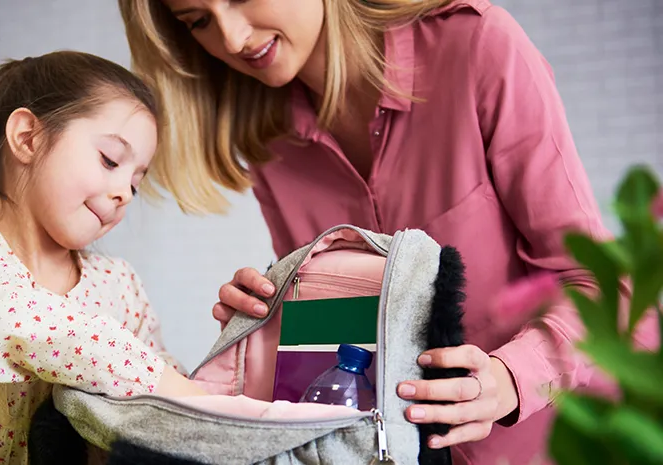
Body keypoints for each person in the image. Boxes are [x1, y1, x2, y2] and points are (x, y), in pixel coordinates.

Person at [118, 0, 658, 464]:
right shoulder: (268, 137)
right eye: (197, 21)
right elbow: (348, 339)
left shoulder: (477, 46)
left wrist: (509, 379)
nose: (232, 38)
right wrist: (273, 320)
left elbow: (608, 288)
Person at [0, 51, 205, 465]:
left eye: (136, 183)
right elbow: (16, 323)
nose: (124, 193)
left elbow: (164, 393)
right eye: (110, 160)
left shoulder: (119, 283)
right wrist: (161, 380)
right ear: (27, 137)